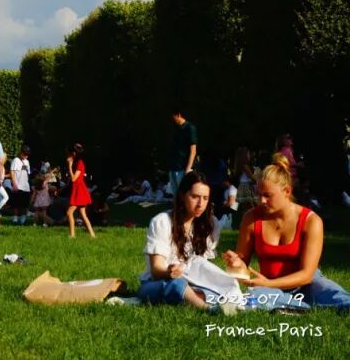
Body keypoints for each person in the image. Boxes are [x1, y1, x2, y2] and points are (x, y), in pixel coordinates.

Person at [222, 157, 350, 311]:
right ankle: (299, 306)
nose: (261, 201)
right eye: (258, 194)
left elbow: (307, 275)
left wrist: (268, 283)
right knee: (251, 299)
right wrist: (236, 263)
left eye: (267, 195)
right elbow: (243, 262)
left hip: (308, 284)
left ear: (287, 191)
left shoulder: (311, 221)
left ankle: (294, 306)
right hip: (270, 287)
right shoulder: (251, 218)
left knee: (338, 297)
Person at [137, 172, 221, 308]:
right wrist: (169, 272)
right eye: (195, 197)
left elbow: (205, 267)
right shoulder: (162, 222)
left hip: (196, 282)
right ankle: (208, 309)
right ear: (182, 196)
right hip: (160, 282)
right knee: (177, 285)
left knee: (221, 282)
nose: (200, 204)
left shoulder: (211, 225)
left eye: (205, 198)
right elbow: (156, 271)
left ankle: (199, 298)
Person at [66, 143, 95, 238]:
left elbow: (74, 179)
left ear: (74, 153)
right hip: (78, 190)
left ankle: (72, 235)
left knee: (69, 212)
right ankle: (92, 235)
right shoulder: (77, 163)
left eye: (69, 154)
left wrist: (69, 166)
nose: (68, 156)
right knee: (83, 214)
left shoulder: (80, 163)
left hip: (80, 191)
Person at [168, 108, 198, 193]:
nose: (172, 119)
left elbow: (193, 150)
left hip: (183, 167)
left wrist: (188, 168)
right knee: (175, 193)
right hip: (173, 166)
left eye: (173, 116)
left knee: (183, 193)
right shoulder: (175, 128)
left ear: (178, 115)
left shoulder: (190, 128)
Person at [9, 145, 32, 224]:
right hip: (18, 186)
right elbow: (12, 171)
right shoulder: (16, 160)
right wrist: (14, 183)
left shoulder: (27, 162)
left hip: (26, 187)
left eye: (27, 154)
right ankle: (15, 219)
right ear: (21, 152)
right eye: (25, 154)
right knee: (16, 204)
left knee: (24, 204)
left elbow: (28, 173)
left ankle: (23, 219)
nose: (26, 156)